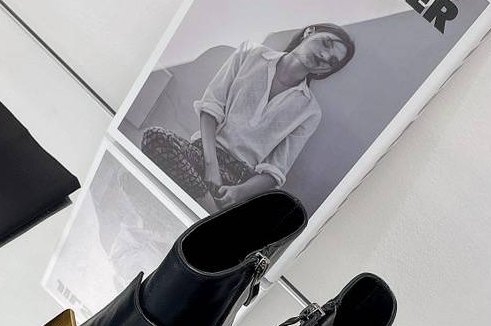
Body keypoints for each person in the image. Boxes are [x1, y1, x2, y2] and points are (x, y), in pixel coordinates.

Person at [141, 23, 355, 211]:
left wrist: (238, 193)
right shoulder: (250, 52)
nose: (324, 56)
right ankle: (210, 211)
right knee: (155, 137)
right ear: (309, 32)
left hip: (239, 178)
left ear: (325, 71)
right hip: (202, 153)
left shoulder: (310, 111)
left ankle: (207, 203)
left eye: (332, 61)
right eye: (326, 43)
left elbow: (276, 170)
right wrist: (211, 167)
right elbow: (211, 107)